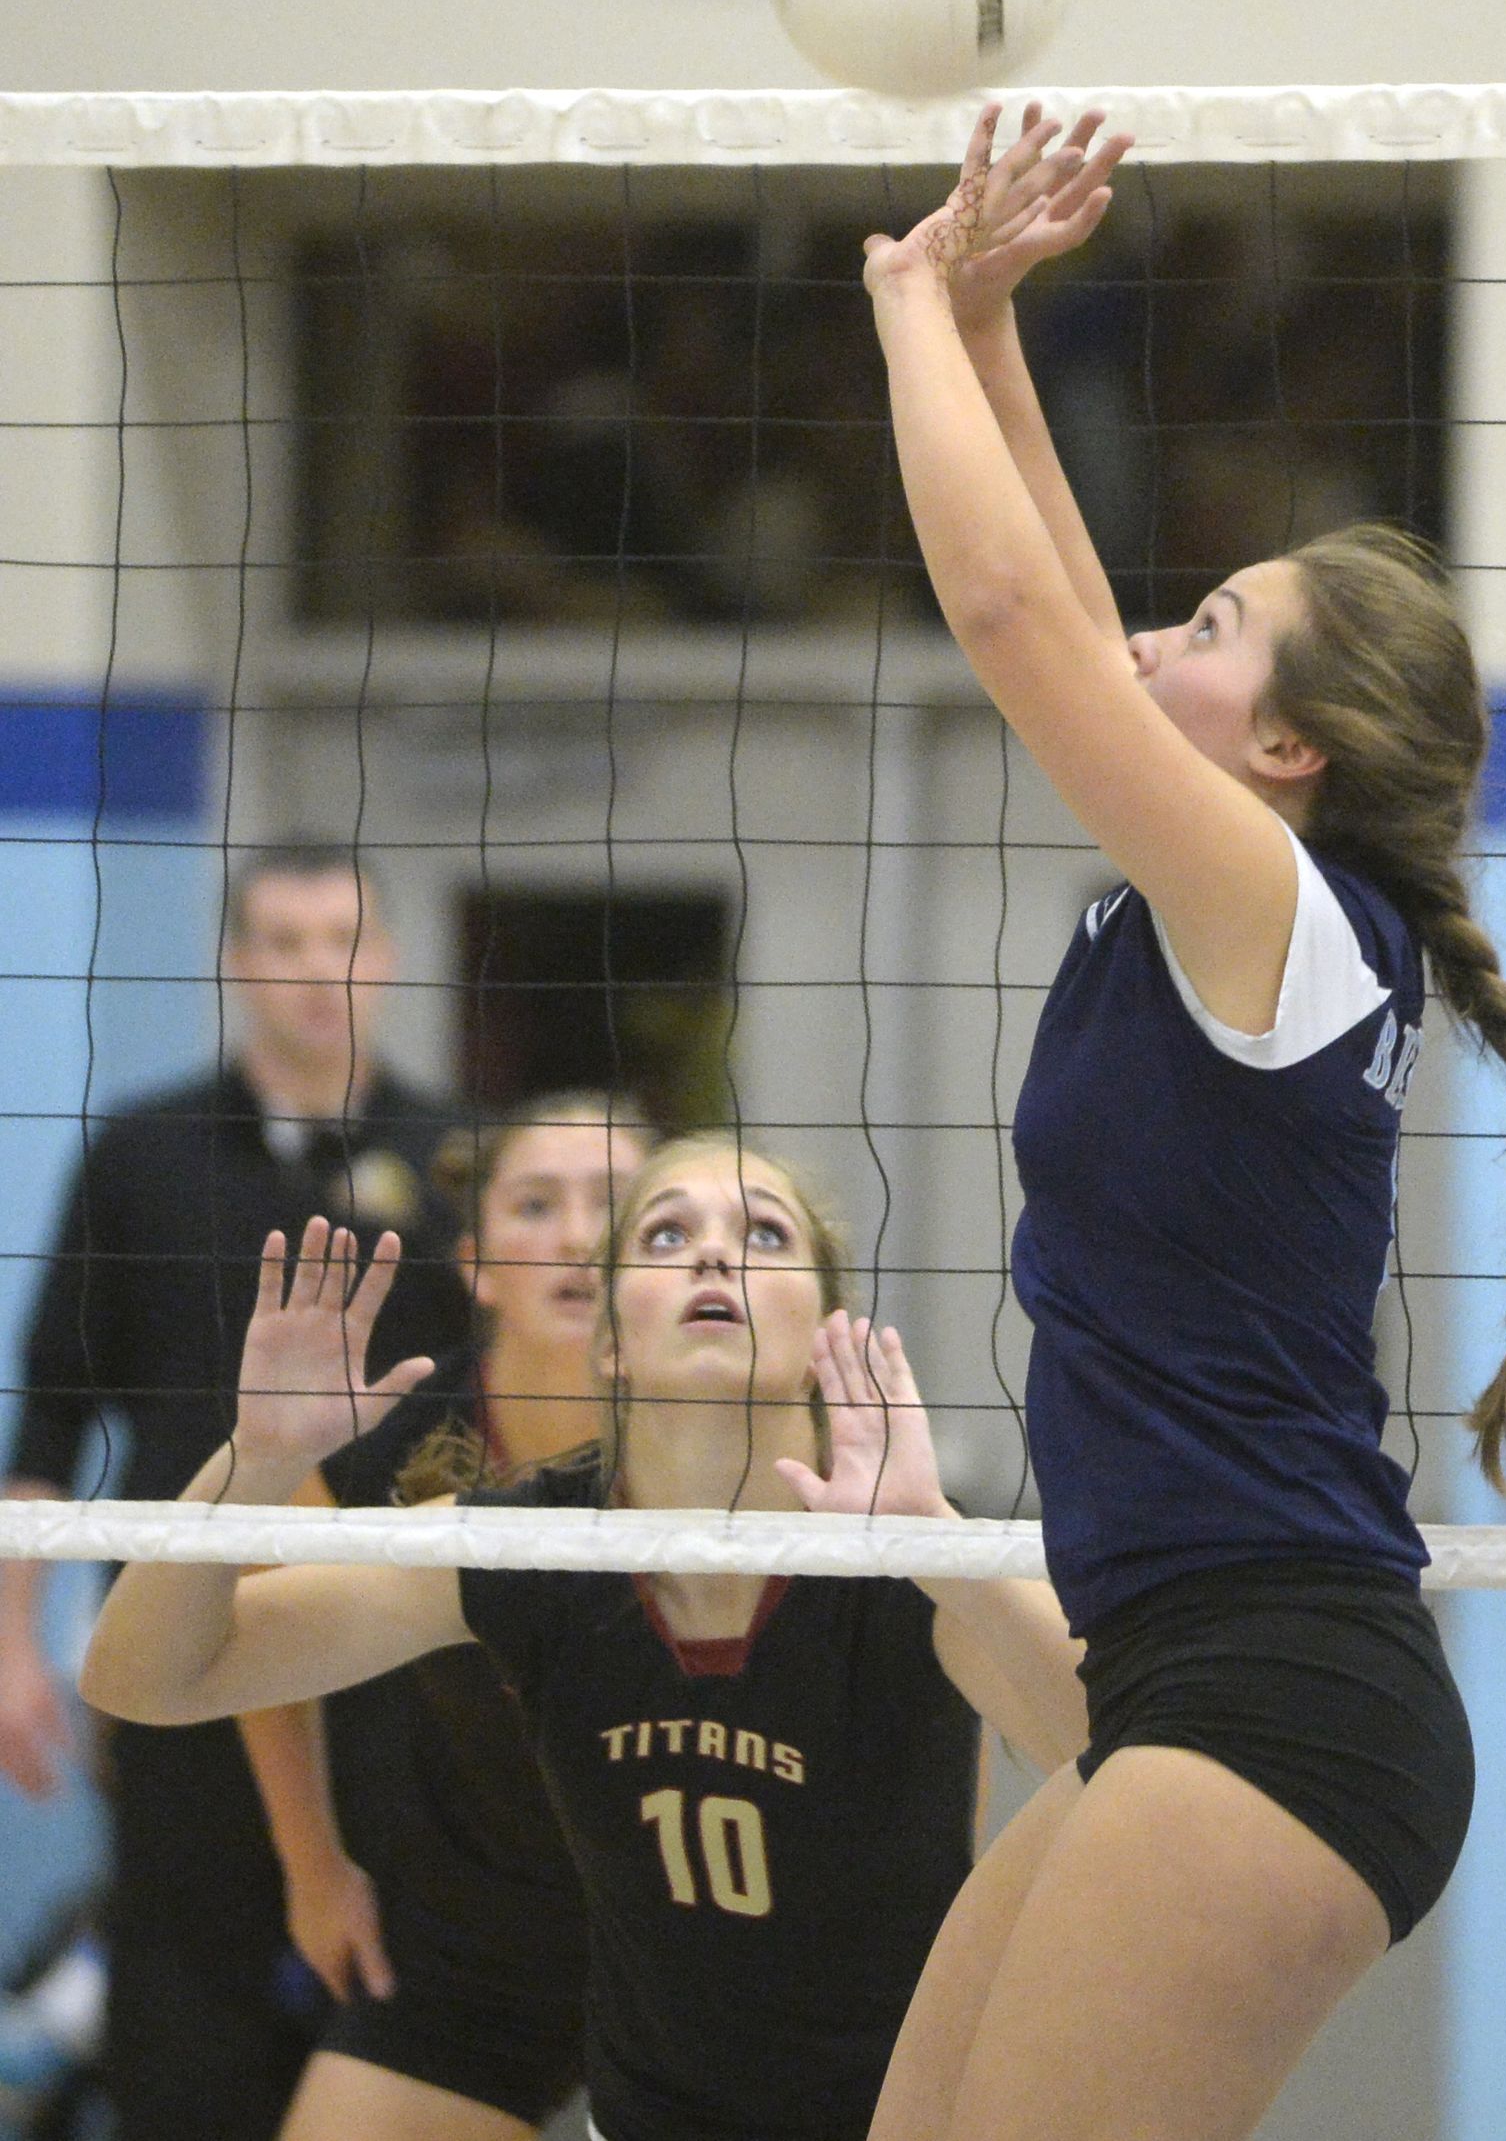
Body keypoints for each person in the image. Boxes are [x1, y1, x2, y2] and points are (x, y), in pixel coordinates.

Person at [850, 103, 1506, 2141]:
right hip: (1177, 1667)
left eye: (1214, 627)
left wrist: (904, 298)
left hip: (1281, 1688)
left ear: (1284, 749)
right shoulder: (1221, 903)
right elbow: (1071, 622)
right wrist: (993, 324)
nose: (1155, 633)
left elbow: (1016, 625)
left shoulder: (1276, 911)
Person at [76, 1134, 1087, 2141]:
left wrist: (939, 1551)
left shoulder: (902, 1553)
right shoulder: (538, 1542)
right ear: (609, 1339)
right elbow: (144, 1677)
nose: (714, 1252)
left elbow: (1124, 1743)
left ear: (827, 1330)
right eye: (667, 1234)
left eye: (765, 1234)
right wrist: (254, 1460)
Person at [0, 841, 470, 2141]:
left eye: (343, 940)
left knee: (397, 1969)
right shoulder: (141, 1150)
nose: (318, 971)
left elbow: (501, 1411)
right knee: (182, 1991)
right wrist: (11, 1642)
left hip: (393, 1643)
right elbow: (51, 1409)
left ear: (386, 959)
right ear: (235, 962)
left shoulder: (459, 1160)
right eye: (284, 940)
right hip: (188, 1632)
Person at [246, 1096, 653, 2141]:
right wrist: (312, 1866)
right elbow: (249, 1627)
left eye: (614, 1205)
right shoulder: (392, 1442)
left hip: (699, 1943)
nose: (577, 1235)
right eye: (537, 1204)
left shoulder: (726, 1435)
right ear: (478, 1266)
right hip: (474, 1948)